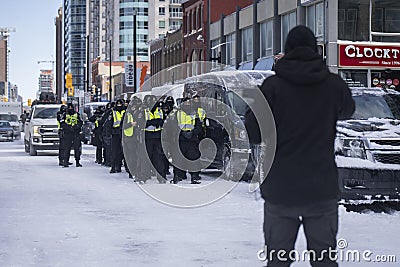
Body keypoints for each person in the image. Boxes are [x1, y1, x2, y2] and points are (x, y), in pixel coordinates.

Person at [245, 26, 355, 267]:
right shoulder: (333, 85)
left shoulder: (272, 88)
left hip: (281, 190)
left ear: (287, 51)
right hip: (321, 189)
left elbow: (253, 132)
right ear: (316, 51)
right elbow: (348, 110)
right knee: (325, 261)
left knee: (278, 261)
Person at [171, 97, 202, 184]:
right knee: (178, 159)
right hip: (181, 139)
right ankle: (177, 176)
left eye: (189, 102)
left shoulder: (195, 113)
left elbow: (199, 126)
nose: (187, 104)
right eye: (186, 102)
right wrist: (181, 133)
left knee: (193, 158)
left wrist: (193, 132)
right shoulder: (177, 113)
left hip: (192, 140)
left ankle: (194, 177)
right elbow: (173, 125)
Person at [142, 95, 167, 183]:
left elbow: (162, 121)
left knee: (158, 158)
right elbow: (142, 123)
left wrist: (152, 122)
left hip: (157, 136)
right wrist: (155, 122)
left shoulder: (160, 111)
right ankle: (143, 177)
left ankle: (161, 177)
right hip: (147, 136)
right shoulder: (143, 111)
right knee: (146, 157)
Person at [61, 103, 83, 167]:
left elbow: (80, 122)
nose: (70, 109)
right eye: (69, 108)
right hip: (67, 134)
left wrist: (76, 127)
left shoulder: (77, 114)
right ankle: (66, 161)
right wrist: (68, 128)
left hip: (76, 133)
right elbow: (62, 123)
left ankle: (77, 161)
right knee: (67, 148)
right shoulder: (64, 115)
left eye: (71, 107)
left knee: (77, 148)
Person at [108, 99, 125, 173]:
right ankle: (113, 166)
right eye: (118, 104)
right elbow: (109, 123)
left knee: (121, 151)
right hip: (115, 133)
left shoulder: (126, 111)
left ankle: (118, 166)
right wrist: (109, 132)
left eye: (120, 104)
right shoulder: (113, 112)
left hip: (124, 133)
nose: (119, 106)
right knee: (114, 151)